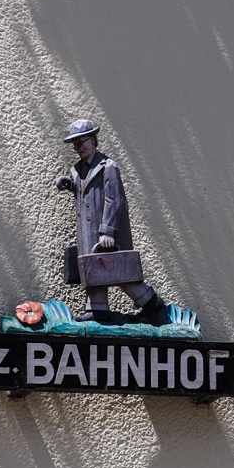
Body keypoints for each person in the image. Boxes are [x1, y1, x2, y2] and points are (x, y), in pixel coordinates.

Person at [55, 120, 165, 323]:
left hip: (103, 232)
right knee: (91, 269)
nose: (78, 148)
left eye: (81, 143)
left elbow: (114, 200)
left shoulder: (108, 167)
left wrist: (108, 230)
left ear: (93, 140)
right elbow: (88, 192)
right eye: (75, 145)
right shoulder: (78, 170)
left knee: (117, 269)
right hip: (87, 231)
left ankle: (150, 302)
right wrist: (71, 185)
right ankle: (97, 309)